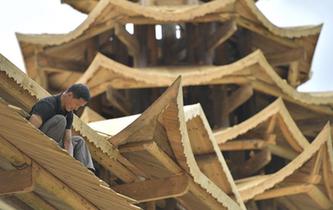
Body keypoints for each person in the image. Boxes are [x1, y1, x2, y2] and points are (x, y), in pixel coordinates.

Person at [28, 84, 95, 171]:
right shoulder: (47, 104)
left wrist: (69, 160)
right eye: (76, 104)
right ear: (69, 95)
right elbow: (30, 128)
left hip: (55, 145)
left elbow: (67, 141)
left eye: (79, 106)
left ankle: (86, 172)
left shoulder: (69, 114)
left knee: (79, 141)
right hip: (39, 143)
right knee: (60, 119)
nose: (76, 108)